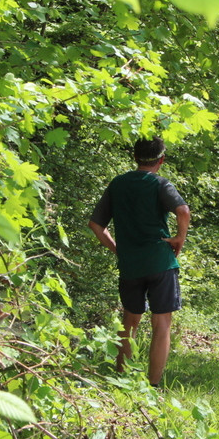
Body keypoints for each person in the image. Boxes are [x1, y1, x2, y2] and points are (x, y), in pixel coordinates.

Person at [88, 138, 191, 387]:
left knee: (129, 321)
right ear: (161, 160)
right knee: (162, 322)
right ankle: (153, 385)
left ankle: (122, 379)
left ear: (135, 157)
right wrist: (179, 238)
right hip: (160, 261)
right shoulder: (160, 184)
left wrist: (118, 249)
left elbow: (96, 225)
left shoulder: (118, 184)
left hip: (130, 265)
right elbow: (183, 211)